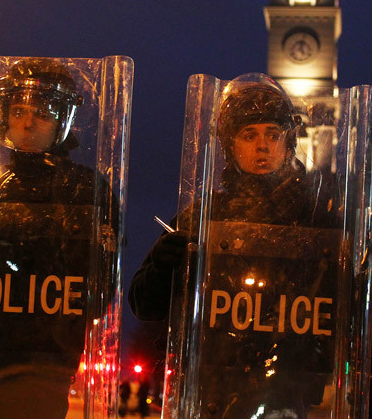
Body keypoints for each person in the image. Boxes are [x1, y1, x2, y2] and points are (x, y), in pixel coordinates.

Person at [129, 73, 336, 418]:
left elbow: (338, 312)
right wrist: (162, 265)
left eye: (273, 134)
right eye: (249, 135)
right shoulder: (203, 215)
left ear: (288, 142)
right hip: (208, 393)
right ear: (230, 146)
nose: (262, 146)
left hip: (287, 399)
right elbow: (143, 305)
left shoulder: (317, 219)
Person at [0, 58, 112, 419]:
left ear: (63, 122)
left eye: (42, 113)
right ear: (3, 117)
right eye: (18, 110)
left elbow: (98, 291)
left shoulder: (87, 191)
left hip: (45, 366)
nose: (27, 123)